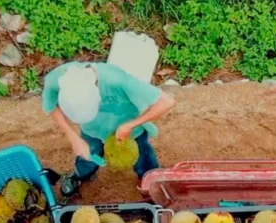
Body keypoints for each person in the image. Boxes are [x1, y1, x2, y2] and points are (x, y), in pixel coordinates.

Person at [42, 62, 176, 196]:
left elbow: (167, 102)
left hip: (130, 131)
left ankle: (149, 178)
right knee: (87, 156)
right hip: (92, 130)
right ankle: (80, 176)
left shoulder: (119, 81)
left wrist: (130, 125)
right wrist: (73, 137)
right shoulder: (57, 79)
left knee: (143, 156)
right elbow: (51, 106)